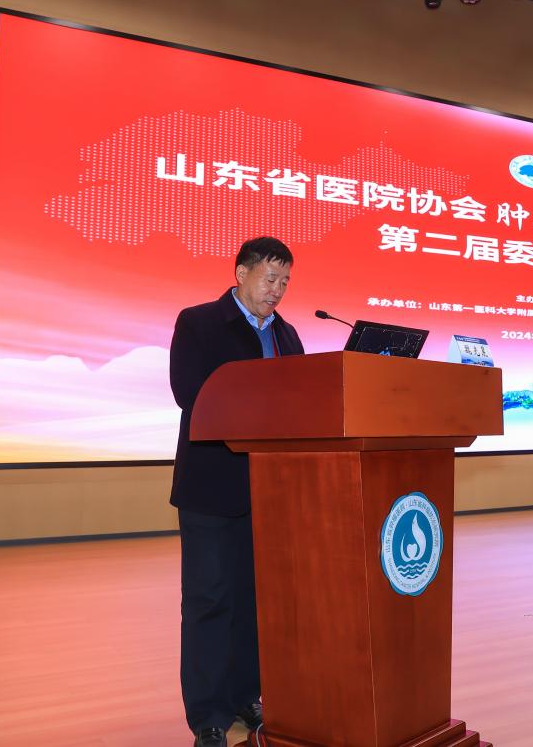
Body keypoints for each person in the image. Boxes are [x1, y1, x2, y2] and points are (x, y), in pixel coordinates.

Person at [169, 236, 304, 747]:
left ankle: (248, 695)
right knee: (209, 600)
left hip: (269, 490)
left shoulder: (287, 335)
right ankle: (208, 714)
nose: (278, 290)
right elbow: (189, 392)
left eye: (285, 281)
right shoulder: (199, 322)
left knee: (254, 602)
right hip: (212, 485)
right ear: (242, 273)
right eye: (270, 278)